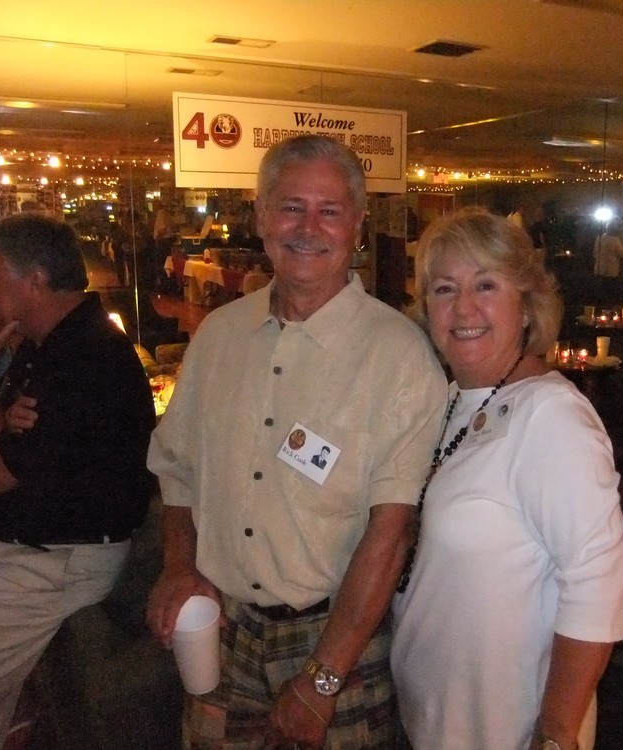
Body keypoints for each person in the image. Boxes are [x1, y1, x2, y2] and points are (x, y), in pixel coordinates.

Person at [145, 134, 447, 750]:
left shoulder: (399, 356)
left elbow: (391, 534)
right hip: (221, 626)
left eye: (329, 211)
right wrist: (179, 567)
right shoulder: (219, 336)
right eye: (291, 207)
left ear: (357, 226)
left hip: (337, 640)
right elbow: (177, 468)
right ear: (261, 216)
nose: (308, 228)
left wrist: (323, 677)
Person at [0, 213, 156, 750]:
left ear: (35, 279)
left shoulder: (84, 357)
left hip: (46, 561)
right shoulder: (46, 342)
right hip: (23, 549)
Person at [392, 207, 623, 750]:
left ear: (526, 304)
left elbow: (596, 584)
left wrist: (556, 733)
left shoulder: (551, 416)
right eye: (444, 288)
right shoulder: (451, 399)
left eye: (486, 285)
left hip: (509, 729)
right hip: (435, 719)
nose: (463, 307)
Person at [592, 222, 623, 305]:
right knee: (611, 294)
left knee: (600, 293)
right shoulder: (615, 240)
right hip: (611, 271)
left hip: (599, 269)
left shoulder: (599, 238)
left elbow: (595, 253)